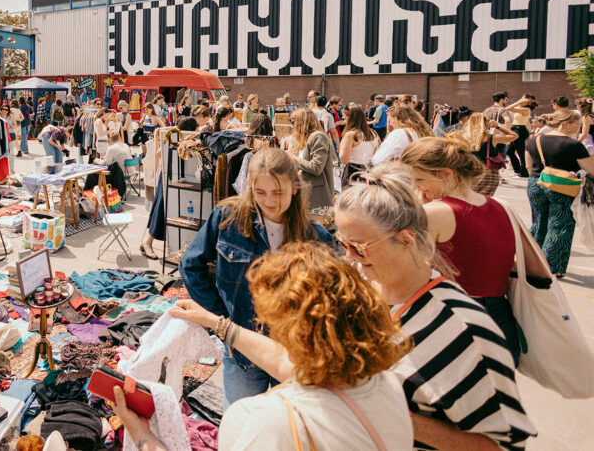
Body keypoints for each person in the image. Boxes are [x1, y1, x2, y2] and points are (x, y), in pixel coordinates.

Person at [116, 243, 413, 451]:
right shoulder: (383, 385)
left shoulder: (270, 420)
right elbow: (286, 363)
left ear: (290, 332)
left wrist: (142, 434)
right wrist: (216, 323)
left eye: (269, 321)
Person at [334, 164, 536, 449]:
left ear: (406, 239)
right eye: (342, 242)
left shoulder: (466, 330)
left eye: (359, 247)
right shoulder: (353, 293)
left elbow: (504, 446)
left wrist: (395, 416)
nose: (349, 256)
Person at [180, 148, 333, 406]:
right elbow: (190, 265)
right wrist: (222, 321)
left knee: (285, 431)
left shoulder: (316, 236)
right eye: (260, 192)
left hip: (292, 352)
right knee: (241, 431)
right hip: (241, 350)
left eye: (278, 193)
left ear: (295, 188)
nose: (269, 201)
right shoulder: (227, 218)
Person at [400, 135, 522, 362]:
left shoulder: (435, 212)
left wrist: (419, 210)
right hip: (501, 319)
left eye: (420, 179)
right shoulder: (499, 206)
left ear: (446, 174)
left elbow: (409, 270)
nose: (417, 187)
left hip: (453, 319)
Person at [525, 109, 594, 277]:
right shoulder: (574, 145)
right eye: (577, 124)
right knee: (560, 225)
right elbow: (590, 169)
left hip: (535, 182)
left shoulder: (536, 139)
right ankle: (551, 267)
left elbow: (528, 166)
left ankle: (531, 261)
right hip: (561, 185)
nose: (580, 128)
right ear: (565, 124)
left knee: (538, 222)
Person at [451, 113, 517, 196]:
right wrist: (498, 127)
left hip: (469, 173)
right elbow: (514, 136)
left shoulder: (463, 137)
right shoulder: (492, 138)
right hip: (488, 175)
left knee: (469, 200)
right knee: (483, 202)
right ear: (485, 123)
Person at [286, 108, 335, 210]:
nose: (292, 125)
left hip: (317, 196)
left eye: (293, 122)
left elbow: (316, 167)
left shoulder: (318, 137)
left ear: (302, 121)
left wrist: (294, 158)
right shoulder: (307, 138)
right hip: (306, 193)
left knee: (314, 226)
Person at [338, 104, 379, 187]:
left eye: (345, 118)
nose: (344, 121)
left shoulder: (350, 135)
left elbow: (344, 159)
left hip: (353, 172)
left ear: (350, 119)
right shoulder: (374, 133)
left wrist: (341, 147)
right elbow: (377, 155)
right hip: (369, 171)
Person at [507, 96, 537, 177]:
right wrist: (519, 102)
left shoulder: (526, 109)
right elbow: (509, 109)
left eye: (523, 99)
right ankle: (517, 170)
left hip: (520, 129)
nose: (521, 99)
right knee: (509, 151)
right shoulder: (520, 108)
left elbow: (508, 108)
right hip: (515, 129)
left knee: (520, 151)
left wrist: (518, 102)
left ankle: (524, 172)